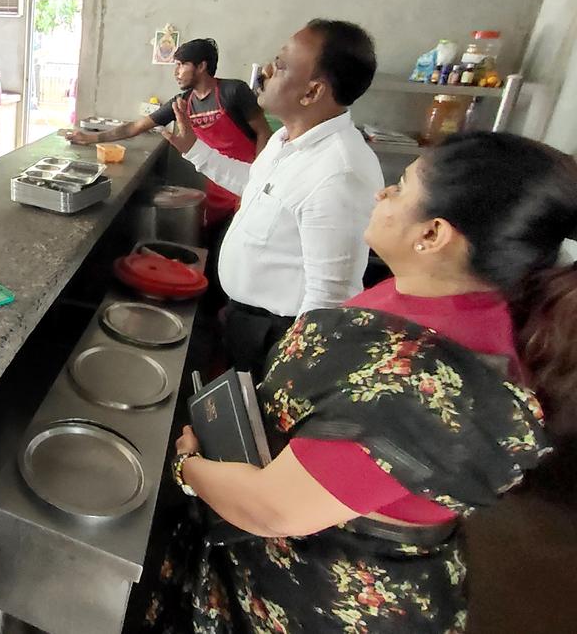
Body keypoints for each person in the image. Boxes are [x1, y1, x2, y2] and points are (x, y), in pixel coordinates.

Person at [152, 132, 577, 632]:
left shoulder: (428, 383)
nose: (381, 195)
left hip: (325, 593)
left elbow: (274, 509)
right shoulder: (429, 296)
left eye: (399, 187)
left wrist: (188, 466)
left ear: (434, 233)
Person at [162, 20, 383, 379]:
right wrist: (195, 150)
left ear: (312, 92)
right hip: (246, 319)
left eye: (280, 65)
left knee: (255, 428)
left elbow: (330, 296)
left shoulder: (339, 172)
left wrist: (292, 373)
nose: (265, 71)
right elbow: (255, 185)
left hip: (278, 338)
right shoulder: (287, 140)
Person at [66, 38, 272, 228]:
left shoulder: (233, 91)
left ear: (201, 66)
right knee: (214, 240)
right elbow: (135, 127)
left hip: (247, 180)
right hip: (217, 180)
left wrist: (257, 176)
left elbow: (264, 132)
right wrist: (92, 138)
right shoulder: (182, 103)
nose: (176, 72)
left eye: (182, 65)